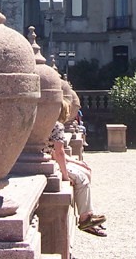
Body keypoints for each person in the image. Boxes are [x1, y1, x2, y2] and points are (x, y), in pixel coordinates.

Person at [45, 99, 107, 237]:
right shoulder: (57, 126)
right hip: (51, 162)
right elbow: (59, 153)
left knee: (86, 171)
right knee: (81, 178)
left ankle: (89, 212)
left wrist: (78, 163)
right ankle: (85, 220)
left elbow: (57, 152)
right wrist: (65, 176)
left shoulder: (47, 123)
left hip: (50, 159)